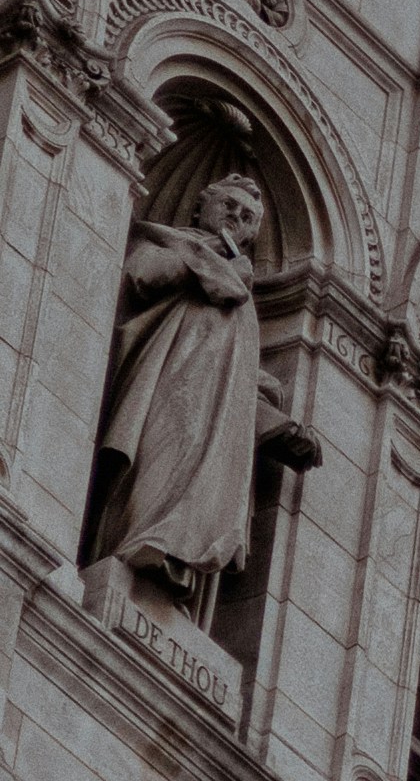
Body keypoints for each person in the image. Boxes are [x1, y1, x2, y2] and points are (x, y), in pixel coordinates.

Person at [83, 169, 308, 616]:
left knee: (200, 483)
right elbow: (139, 276)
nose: (236, 219)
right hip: (164, 384)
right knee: (155, 465)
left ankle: (169, 566)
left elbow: (240, 386)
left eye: (247, 217)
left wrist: (279, 427)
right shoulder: (170, 242)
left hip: (210, 411)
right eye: (228, 207)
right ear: (200, 205)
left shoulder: (241, 291)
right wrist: (210, 262)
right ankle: (135, 541)